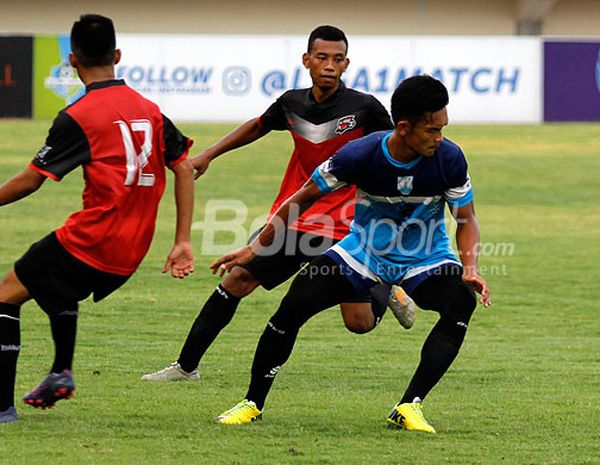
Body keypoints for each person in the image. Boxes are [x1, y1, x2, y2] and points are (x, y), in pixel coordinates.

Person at [211, 75, 491, 433]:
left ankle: (409, 405)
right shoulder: (360, 155)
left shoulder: (449, 158)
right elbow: (301, 199)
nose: (440, 138)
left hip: (426, 258)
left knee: (460, 303)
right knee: (293, 305)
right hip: (363, 253)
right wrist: (255, 247)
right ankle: (252, 403)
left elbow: (466, 218)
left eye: (443, 128)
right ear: (403, 127)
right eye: (432, 130)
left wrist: (470, 267)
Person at [142, 25, 416, 383]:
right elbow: (258, 125)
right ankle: (185, 367)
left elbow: (397, 145)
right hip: (292, 218)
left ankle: (383, 285)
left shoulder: (364, 108)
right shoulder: (292, 103)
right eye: (322, 58)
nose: (329, 66)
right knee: (236, 279)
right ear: (307, 60)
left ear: (347, 64)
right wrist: (209, 155)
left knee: (359, 323)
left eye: (337, 59)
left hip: (345, 227)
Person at [0, 14, 194, 424]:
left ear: (72, 60)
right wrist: (182, 240)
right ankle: (60, 372)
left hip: (93, 238)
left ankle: (2, 408)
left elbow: (32, 181)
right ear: (118, 55)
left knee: (5, 296)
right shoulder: (150, 110)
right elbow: (183, 166)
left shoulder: (79, 115)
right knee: (53, 282)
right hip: (132, 249)